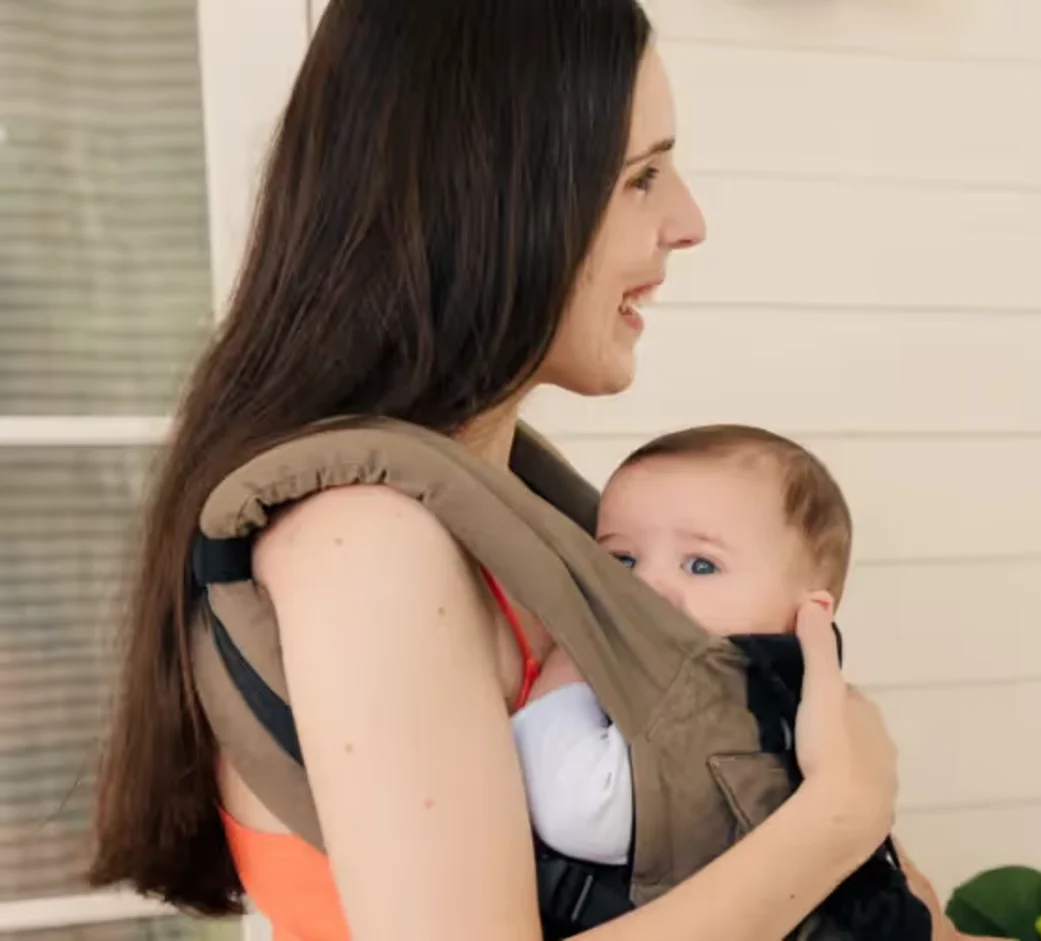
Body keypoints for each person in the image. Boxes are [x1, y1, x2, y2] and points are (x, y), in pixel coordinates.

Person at [85, 2, 917, 938]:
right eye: (642, 177)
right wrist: (841, 817)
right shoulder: (365, 540)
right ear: (491, 198)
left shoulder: (519, 516)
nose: (689, 221)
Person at [512, 423, 856, 865]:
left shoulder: (717, 701)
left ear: (807, 618)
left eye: (700, 565)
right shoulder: (799, 703)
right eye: (623, 559)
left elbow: (582, 813)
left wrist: (567, 669)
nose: (645, 584)